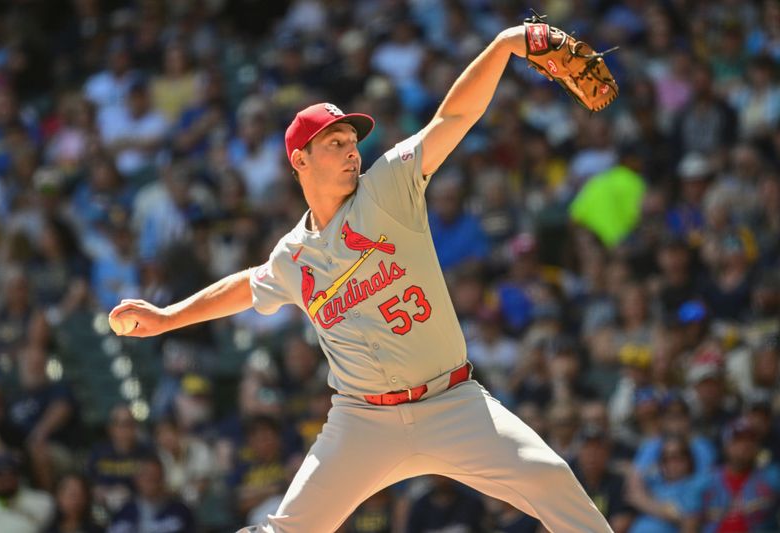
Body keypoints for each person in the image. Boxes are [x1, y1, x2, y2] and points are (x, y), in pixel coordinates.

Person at [109, 21, 612, 532]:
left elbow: (454, 115)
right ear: (299, 159)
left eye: (353, 139)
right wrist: (168, 317)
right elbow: (247, 284)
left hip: (453, 403)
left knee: (552, 479)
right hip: (362, 423)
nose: (353, 149)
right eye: (336, 142)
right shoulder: (293, 255)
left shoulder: (388, 187)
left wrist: (506, 45)